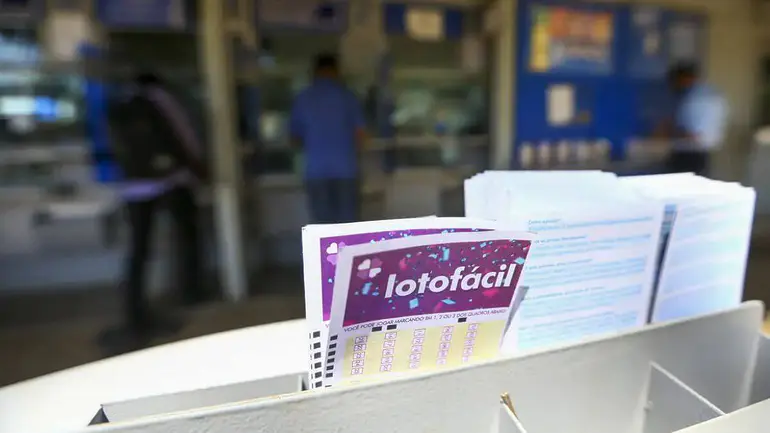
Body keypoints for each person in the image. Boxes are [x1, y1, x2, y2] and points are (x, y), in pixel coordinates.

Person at [107, 72, 208, 339]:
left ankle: (135, 309)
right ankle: (190, 290)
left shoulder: (121, 103)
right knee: (187, 236)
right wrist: (197, 167)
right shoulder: (161, 99)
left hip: (134, 185)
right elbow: (183, 136)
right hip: (170, 180)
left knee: (139, 249)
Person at [290, 53, 367, 224]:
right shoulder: (348, 97)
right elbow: (360, 134)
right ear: (336, 71)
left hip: (316, 171)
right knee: (348, 225)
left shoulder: (303, 99)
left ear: (315, 71)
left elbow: (294, 139)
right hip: (346, 169)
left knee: (322, 226)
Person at [660, 62, 728, 176]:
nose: (674, 86)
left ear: (684, 78)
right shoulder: (712, 93)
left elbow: (693, 134)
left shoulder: (695, 98)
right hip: (706, 152)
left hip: (691, 153)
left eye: (675, 81)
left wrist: (667, 131)